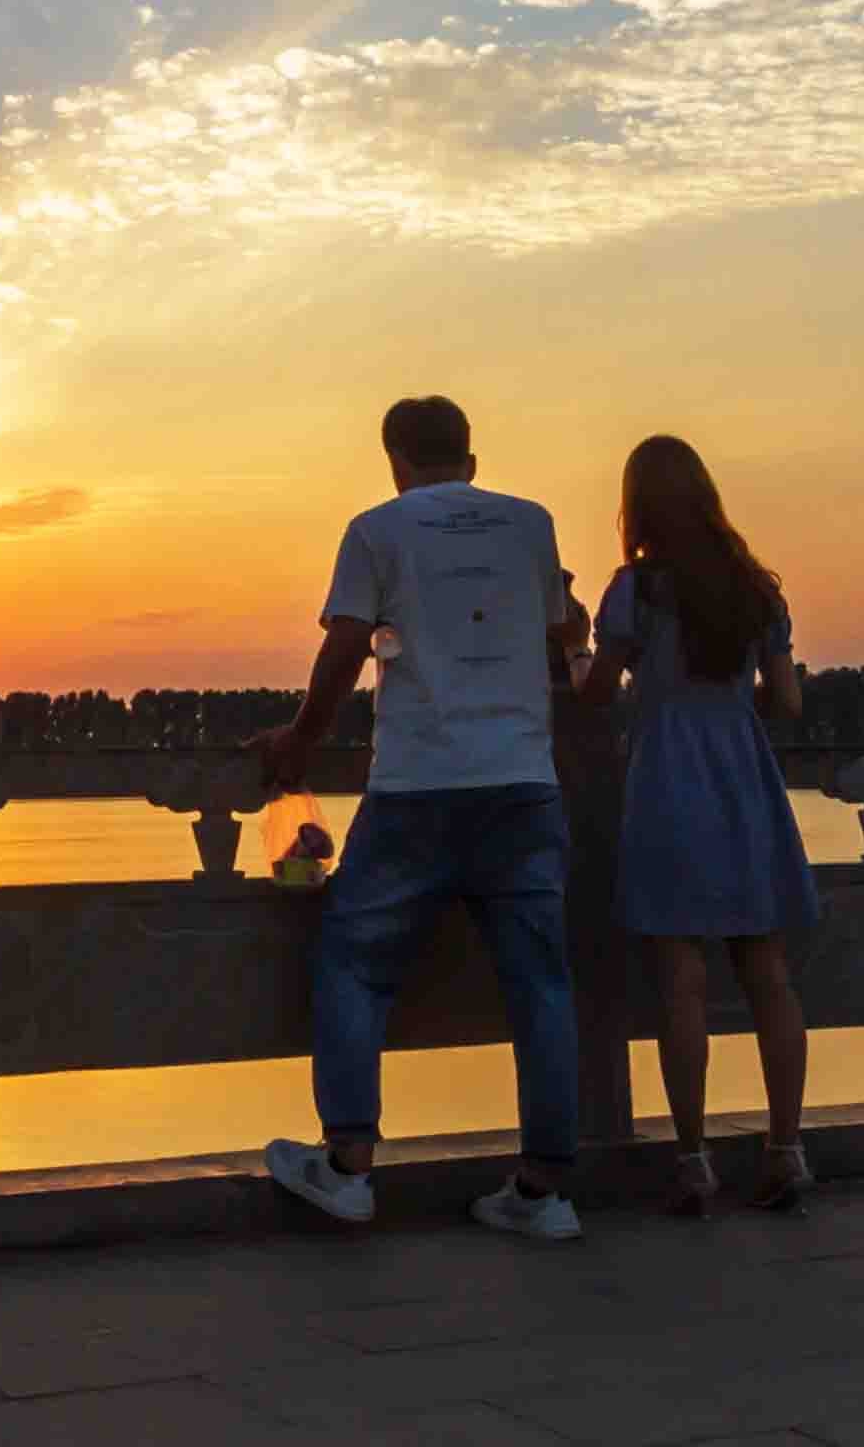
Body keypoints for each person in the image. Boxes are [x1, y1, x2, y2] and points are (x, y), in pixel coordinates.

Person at [254, 395, 593, 1242]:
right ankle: (545, 1188)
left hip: (417, 787)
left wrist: (300, 739)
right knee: (541, 986)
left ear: (395, 460)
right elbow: (561, 634)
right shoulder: (531, 524)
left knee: (353, 964)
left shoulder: (379, 529)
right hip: (522, 784)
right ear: (471, 460)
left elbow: (344, 647)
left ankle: (348, 1168)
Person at [574, 436, 818, 1215]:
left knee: (680, 980)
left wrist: (575, 665)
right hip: (742, 776)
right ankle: (786, 1149)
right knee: (766, 974)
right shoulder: (756, 590)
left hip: (666, 779)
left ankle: (694, 1160)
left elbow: (599, 691)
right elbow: (787, 705)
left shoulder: (637, 590)